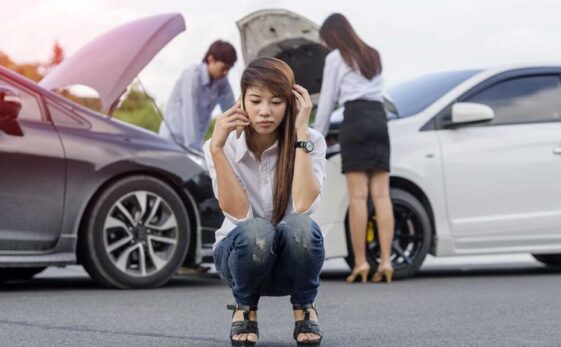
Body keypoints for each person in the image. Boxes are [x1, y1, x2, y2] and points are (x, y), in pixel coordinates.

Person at [203, 57, 327, 346]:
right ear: (242, 101)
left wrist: (300, 135)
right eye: (256, 100)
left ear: (292, 103)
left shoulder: (312, 141)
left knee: (302, 226)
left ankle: (304, 308)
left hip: (291, 263)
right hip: (239, 260)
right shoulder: (223, 143)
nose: (265, 112)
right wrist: (218, 149)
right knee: (257, 231)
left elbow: (305, 206)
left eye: (276, 102)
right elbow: (238, 216)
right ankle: (245, 309)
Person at [314, 13, 395, 284]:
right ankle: (385, 261)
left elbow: (326, 102)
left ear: (332, 36)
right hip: (378, 120)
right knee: (382, 196)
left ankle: (360, 263)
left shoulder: (335, 58)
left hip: (356, 120)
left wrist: (316, 139)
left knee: (358, 197)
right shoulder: (373, 54)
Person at [159, 40, 237, 151]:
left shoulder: (222, 81)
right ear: (211, 60)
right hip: (172, 141)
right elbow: (190, 115)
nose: (226, 73)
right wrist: (195, 151)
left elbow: (232, 112)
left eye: (229, 69)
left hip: (194, 142)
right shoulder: (192, 76)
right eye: (224, 68)